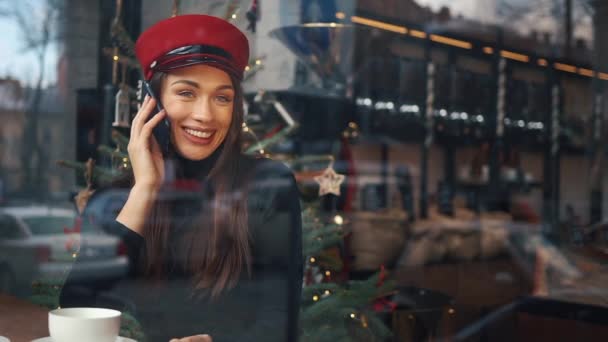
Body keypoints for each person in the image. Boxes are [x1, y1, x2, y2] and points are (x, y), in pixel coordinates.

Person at [60, 14, 303, 342]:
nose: (205, 114)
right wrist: (145, 188)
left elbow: (279, 319)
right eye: (186, 93)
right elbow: (78, 307)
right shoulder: (115, 200)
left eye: (222, 97)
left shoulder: (268, 185)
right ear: (152, 104)